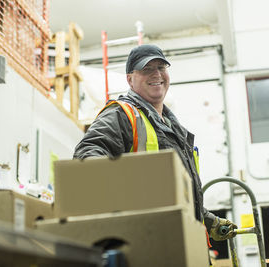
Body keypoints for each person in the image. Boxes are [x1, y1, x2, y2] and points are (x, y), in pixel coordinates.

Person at [73, 44, 237, 242]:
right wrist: (128, 190)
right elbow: (87, 153)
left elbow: (176, 193)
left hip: (180, 239)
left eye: (161, 67)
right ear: (130, 79)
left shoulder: (173, 127)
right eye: (147, 69)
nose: (156, 74)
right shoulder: (121, 114)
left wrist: (208, 220)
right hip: (147, 238)